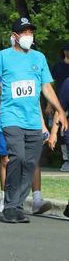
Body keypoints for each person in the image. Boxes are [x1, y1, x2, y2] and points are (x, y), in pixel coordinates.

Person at [0, 17, 67, 223]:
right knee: (16, 157)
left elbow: (46, 87)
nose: (28, 36)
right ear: (15, 36)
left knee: (30, 162)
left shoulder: (39, 58)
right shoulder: (3, 56)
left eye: (30, 32)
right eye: (24, 33)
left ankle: (18, 205)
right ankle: (9, 204)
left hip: (33, 120)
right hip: (11, 117)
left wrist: (60, 110)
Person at [50, 42, 69, 171]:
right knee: (64, 131)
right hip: (61, 100)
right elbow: (50, 85)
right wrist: (50, 105)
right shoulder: (58, 66)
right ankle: (66, 159)